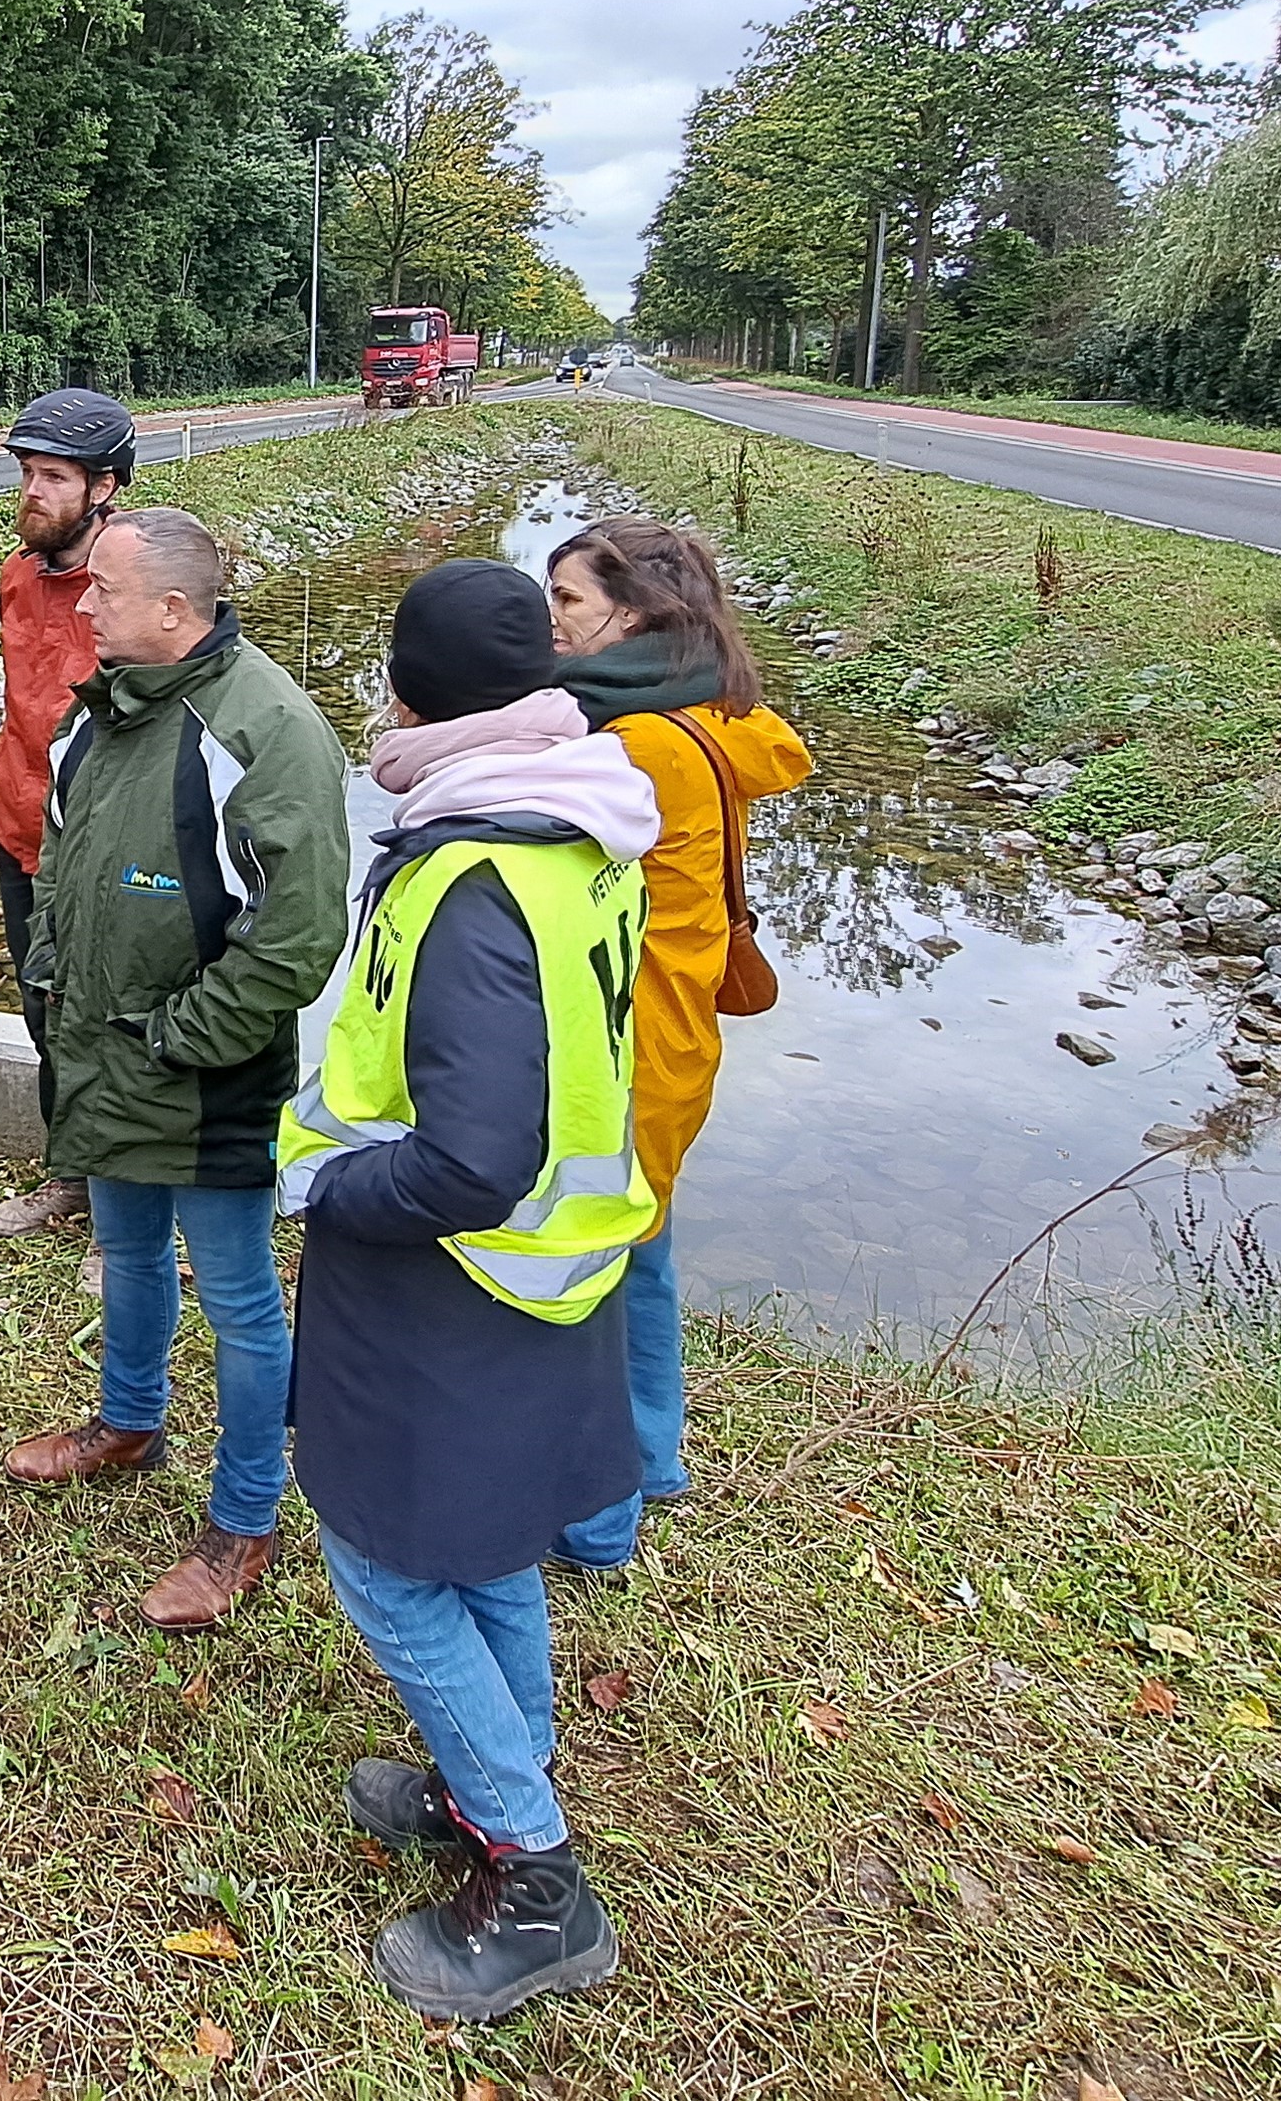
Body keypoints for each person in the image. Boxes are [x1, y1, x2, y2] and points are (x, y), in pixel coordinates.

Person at [278, 558, 662, 2021]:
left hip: (445, 1275)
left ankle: (535, 1872)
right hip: (548, 1274)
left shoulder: (467, 871)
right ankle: (487, 1774)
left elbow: (474, 1153)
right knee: (486, 1534)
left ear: (412, 693)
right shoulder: (574, 828)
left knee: (382, 1556)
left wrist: (330, 1191)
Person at [0, 507, 348, 1631]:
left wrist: (179, 1036)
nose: (82, 603)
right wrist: (59, 988)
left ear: (173, 610)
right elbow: (63, 866)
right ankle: (127, 1420)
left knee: (241, 1297)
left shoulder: (267, 729)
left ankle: (244, 1517)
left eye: (102, 588)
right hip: (106, 1052)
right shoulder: (102, 712)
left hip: (202, 1074)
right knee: (132, 1249)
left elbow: (295, 937)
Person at [541, 519, 811, 1572]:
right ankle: (653, 1456)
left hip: (618, 1053)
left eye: (566, 598)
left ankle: (599, 1515)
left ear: (636, 613)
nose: (548, 617)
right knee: (640, 1257)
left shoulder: (635, 745)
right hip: (672, 1042)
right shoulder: (708, 717)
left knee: (588, 1281)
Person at [0, 387, 132, 1241]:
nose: (31, 491)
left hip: (105, 852)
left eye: (52, 476)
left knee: (112, 1025)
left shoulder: (135, 588)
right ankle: (69, 1173)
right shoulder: (17, 573)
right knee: (45, 1013)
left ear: (103, 487)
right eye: (26, 473)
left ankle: (128, 1220)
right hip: (22, 830)